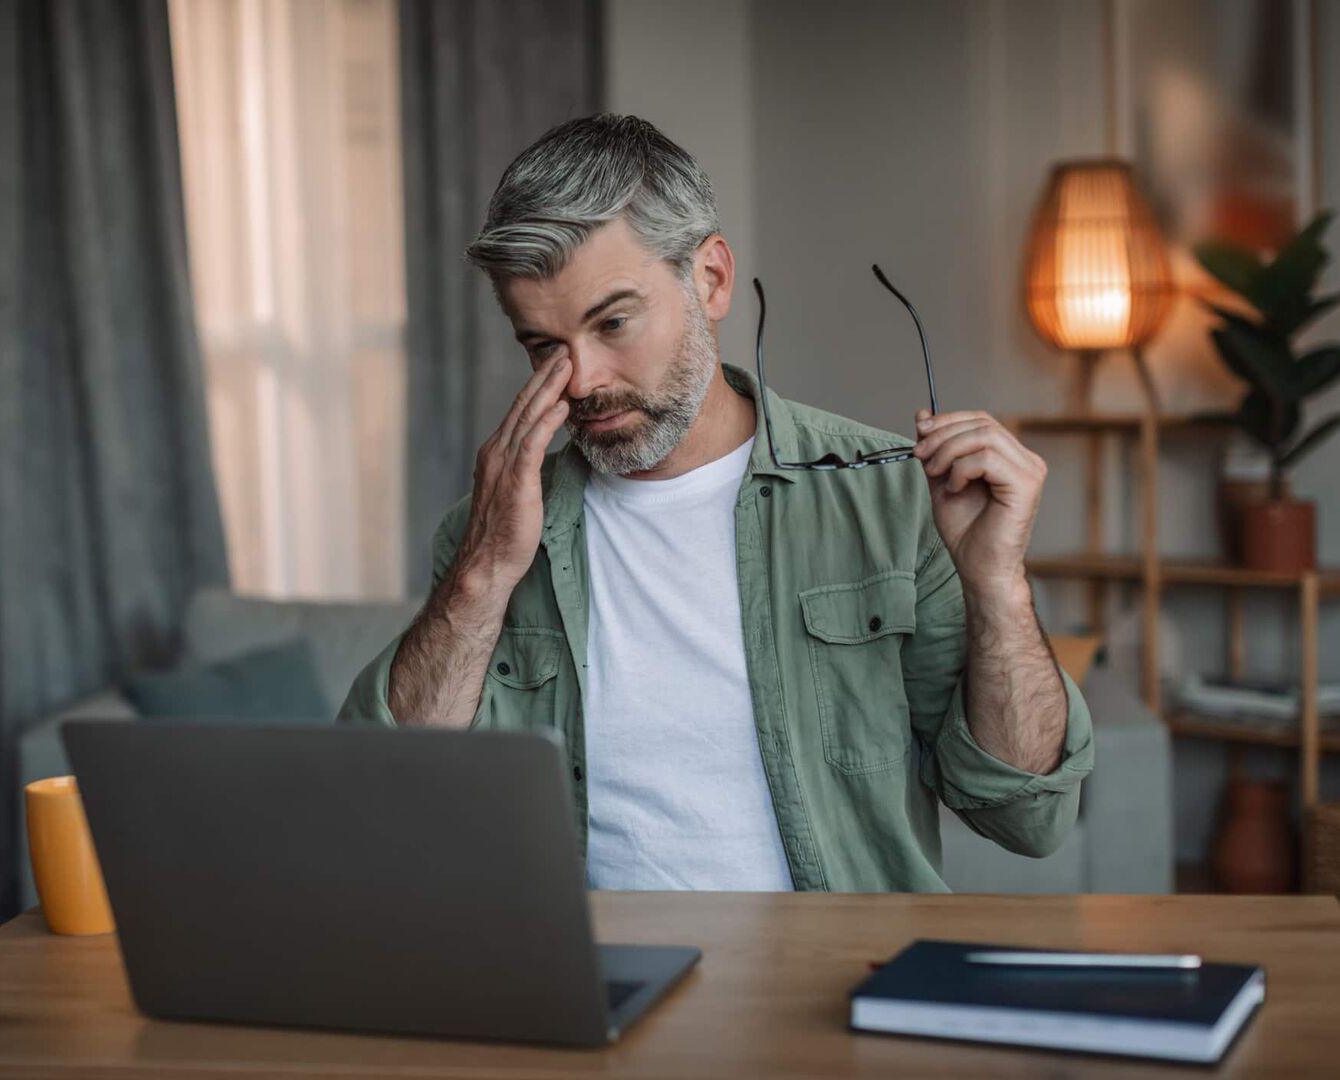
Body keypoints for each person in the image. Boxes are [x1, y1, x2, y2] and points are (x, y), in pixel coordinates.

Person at [338, 114, 1092, 892]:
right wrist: (484, 573)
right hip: (593, 989)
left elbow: (1028, 818)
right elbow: (388, 813)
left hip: (835, 982)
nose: (583, 380)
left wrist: (998, 585)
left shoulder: (894, 501)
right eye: (542, 346)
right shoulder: (485, 534)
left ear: (712, 279)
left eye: (614, 322)